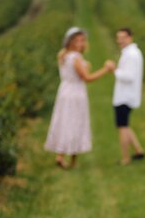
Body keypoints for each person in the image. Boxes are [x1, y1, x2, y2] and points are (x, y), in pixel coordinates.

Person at [44, 27, 115, 169]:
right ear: (70, 41)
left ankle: (60, 155)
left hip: (64, 91)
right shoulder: (75, 57)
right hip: (75, 93)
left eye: (82, 40)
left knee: (64, 121)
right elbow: (87, 78)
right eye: (77, 40)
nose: (80, 42)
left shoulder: (64, 56)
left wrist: (85, 65)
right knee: (75, 122)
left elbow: (74, 73)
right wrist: (105, 70)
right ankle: (72, 160)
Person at [112, 28, 145, 165]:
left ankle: (125, 158)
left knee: (123, 127)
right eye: (118, 37)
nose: (120, 40)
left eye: (123, 37)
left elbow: (129, 77)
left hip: (125, 96)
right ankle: (138, 150)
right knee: (125, 125)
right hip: (127, 95)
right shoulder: (131, 53)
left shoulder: (131, 55)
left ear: (130, 37)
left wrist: (113, 70)